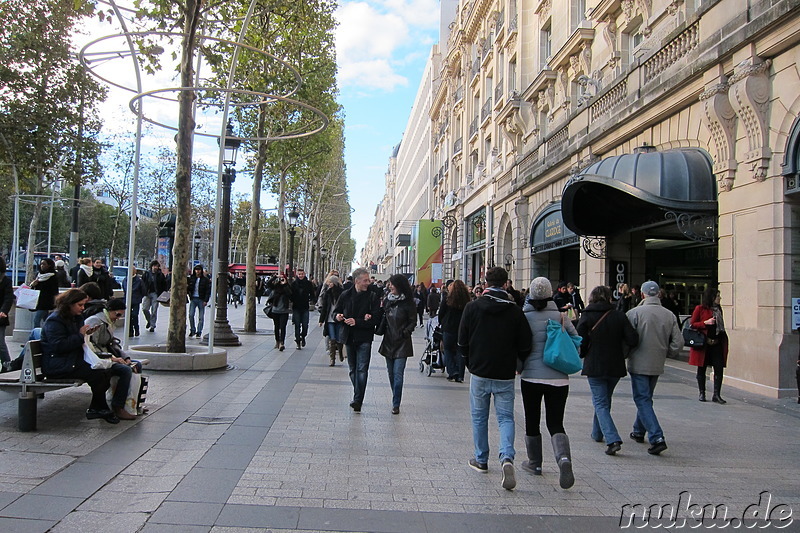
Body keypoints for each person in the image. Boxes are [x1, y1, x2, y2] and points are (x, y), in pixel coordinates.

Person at [459, 267, 532, 491]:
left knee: (479, 417)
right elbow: (526, 343)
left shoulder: (473, 307)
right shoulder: (514, 311)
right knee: (505, 418)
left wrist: (469, 362)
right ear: (505, 283)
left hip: (480, 370)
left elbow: (462, 342)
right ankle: (507, 456)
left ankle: (481, 459)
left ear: (485, 281)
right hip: (504, 372)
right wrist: (518, 362)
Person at [519, 277, 578, 489]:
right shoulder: (561, 316)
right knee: (555, 422)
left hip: (531, 376)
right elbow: (576, 341)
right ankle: (563, 459)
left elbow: (519, 344)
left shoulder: (524, 316)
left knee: (532, 420)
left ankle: (535, 463)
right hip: (559, 378)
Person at [40, 288, 119, 424]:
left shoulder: (75, 318)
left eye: (84, 305)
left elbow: (77, 340)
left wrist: (87, 334)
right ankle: (99, 408)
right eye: (80, 305)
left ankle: (98, 407)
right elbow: (58, 346)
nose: (83, 308)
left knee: (105, 370)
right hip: (57, 364)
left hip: (71, 360)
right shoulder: (55, 321)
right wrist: (80, 335)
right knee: (97, 373)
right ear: (69, 304)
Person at [577, 285, 639, 456]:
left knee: (600, 402)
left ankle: (612, 439)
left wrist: (583, 351)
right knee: (604, 400)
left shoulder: (587, 315)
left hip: (595, 364)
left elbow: (579, 339)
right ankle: (597, 433)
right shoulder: (619, 316)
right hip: (614, 364)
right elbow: (633, 338)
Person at [625, 281, 682, 456]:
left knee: (642, 399)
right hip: (657, 362)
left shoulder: (634, 313)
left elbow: (626, 340)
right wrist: (668, 352)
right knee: (646, 397)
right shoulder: (669, 315)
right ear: (658, 294)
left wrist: (627, 354)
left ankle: (657, 436)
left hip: (638, 362)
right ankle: (638, 430)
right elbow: (678, 342)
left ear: (642, 295)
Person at [334, 268, 381, 412]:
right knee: (352, 369)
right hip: (349, 336)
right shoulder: (345, 295)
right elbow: (336, 311)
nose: (368, 283)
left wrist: (359, 321)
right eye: (365, 280)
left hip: (364, 337)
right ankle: (358, 394)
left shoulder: (373, 296)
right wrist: (338, 317)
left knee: (362, 369)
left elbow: (376, 318)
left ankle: (357, 399)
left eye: (368, 280)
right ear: (357, 281)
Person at [84, 298, 139, 420]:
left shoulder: (108, 321)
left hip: (106, 356)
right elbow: (91, 347)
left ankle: (133, 405)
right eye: (117, 314)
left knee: (136, 365)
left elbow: (112, 344)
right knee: (125, 370)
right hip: (97, 359)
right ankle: (117, 406)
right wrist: (113, 359)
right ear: (109, 310)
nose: (118, 317)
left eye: (121, 315)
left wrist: (126, 357)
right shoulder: (96, 321)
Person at [376, 274, 417, 415]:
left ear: (399, 286)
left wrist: (405, 332)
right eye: (389, 284)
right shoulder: (387, 300)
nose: (390, 286)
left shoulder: (408, 303)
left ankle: (396, 404)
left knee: (398, 374)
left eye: (392, 284)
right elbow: (382, 316)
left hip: (402, 342)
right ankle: (396, 395)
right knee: (391, 374)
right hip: (388, 341)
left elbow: (413, 321)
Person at [689, 287, 729, 404]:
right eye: (717, 296)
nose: (719, 298)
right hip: (704, 344)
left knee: (719, 368)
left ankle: (717, 394)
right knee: (701, 368)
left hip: (717, 343)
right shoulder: (700, 308)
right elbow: (692, 324)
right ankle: (702, 392)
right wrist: (705, 323)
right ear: (711, 297)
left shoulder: (718, 309)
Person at [438, 279, 470, 382]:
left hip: (448, 328)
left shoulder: (447, 299)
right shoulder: (467, 300)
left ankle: (452, 372)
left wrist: (442, 322)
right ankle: (460, 375)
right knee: (460, 351)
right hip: (461, 329)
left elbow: (441, 313)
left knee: (447, 350)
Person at [318, 275, 344, 366]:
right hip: (329, 319)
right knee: (332, 338)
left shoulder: (342, 293)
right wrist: (321, 320)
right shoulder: (327, 293)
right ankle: (332, 359)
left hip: (339, 319)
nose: (329, 284)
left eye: (331, 282)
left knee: (338, 338)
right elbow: (325, 307)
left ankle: (340, 352)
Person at [30, 257, 60, 329]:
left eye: (44, 264)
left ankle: (36, 335)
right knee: (46, 321)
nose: (42, 266)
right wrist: (33, 285)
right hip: (39, 301)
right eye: (41, 264)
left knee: (37, 320)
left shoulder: (53, 276)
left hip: (46, 302)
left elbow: (54, 290)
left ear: (49, 265)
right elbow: (35, 288)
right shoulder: (39, 275)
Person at [290, 268, 315, 349]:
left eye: (302, 274)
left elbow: (312, 294)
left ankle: (303, 336)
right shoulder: (293, 284)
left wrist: (312, 300)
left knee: (305, 325)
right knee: (297, 325)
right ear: (297, 275)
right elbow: (290, 294)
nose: (301, 275)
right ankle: (298, 341)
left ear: (304, 274)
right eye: (299, 274)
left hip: (305, 307)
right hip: (296, 307)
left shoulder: (308, 284)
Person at [266, 274, 292, 351]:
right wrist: (275, 277)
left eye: (283, 279)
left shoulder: (287, 287)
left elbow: (290, 294)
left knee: (283, 327)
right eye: (280, 279)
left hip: (284, 310)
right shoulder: (275, 287)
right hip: (275, 310)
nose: (281, 280)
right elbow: (268, 284)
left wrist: (285, 284)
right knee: (276, 327)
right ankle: (277, 341)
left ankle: (282, 343)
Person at [141, 261, 166, 333]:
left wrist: (162, 294)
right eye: (154, 266)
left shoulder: (160, 275)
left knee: (154, 310)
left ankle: (152, 325)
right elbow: (142, 283)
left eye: (157, 266)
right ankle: (149, 320)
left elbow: (164, 284)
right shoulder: (146, 274)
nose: (155, 268)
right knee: (145, 309)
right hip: (147, 293)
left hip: (156, 294)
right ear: (151, 266)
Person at [187, 264, 211, 338]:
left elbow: (208, 291)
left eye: (199, 270)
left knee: (201, 317)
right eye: (196, 270)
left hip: (201, 299)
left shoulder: (205, 280)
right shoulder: (191, 278)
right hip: (193, 298)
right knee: (191, 315)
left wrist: (206, 300)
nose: (197, 271)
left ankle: (199, 331)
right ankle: (192, 330)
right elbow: (189, 288)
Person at [123, 266, 144, 337]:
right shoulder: (125, 280)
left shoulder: (139, 280)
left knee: (134, 315)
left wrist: (139, 297)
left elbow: (143, 290)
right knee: (128, 316)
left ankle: (136, 329)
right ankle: (130, 331)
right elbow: (124, 289)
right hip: (127, 301)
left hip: (136, 300)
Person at [0, 257, 13, 366]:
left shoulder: (6, 281)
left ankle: (7, 364)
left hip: (0, 317)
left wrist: (3, 311)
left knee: (0, 343)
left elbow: (8, 298)